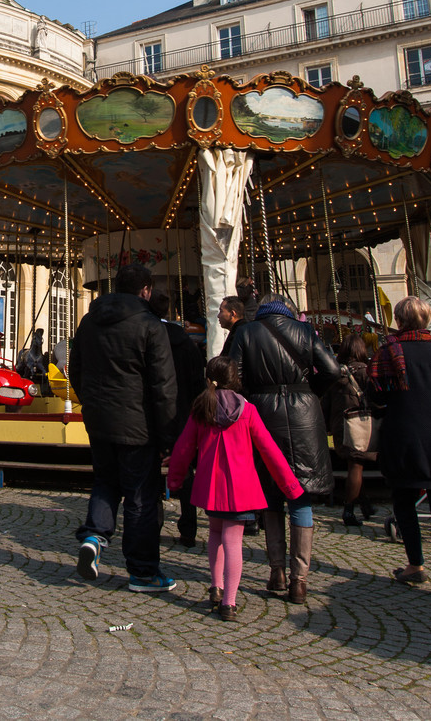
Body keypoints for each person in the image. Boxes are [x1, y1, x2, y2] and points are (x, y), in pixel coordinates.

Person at [219, 292, 342, 604]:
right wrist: (308, 393)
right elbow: (332, 369)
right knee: (300, 494)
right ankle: (299, 580)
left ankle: (276, 571)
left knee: (271, 494)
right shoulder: (304, 330)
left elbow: (235, 377)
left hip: (263, 413)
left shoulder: (247, 332)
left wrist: (256, 395)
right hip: (304, 414)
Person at [167, 355, 304, 620]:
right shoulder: (248, 410)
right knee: (233, 543)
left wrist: (174, 480)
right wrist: (291, 487)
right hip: (241, 488)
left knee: (215, 536)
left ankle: (216, 587)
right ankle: (229, 602)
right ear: (235, 380)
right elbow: (270, 451)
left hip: (211, 486)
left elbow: (183, 448)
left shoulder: (201, 407)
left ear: (209, 379)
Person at [71, 263, 180, 593]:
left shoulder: (89, 321)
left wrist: (91, 404)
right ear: (145, 290)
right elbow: (164, 387)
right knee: (140, 497)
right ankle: (143, 572)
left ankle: (94, 536)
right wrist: (168, 437)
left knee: (105, 481)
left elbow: (75, 370)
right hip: (138, 426)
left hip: (99, 421)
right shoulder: (150, 325)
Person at [369, 296, 431, 600]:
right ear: (426, 321)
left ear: (399, 321)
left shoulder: (388, 353)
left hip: (404, 438)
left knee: (405, 506)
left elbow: (375, 400)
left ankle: (415, 564)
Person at [149, 289, 207, 548]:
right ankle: (188, 527)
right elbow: (197, 380)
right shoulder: (184, 341)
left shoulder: (147, 338)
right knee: (186, 470)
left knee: (150, 467)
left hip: (152, 412)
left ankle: (153, 522)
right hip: (183, 412)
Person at [324, 332, 379, 526]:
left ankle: (364, 503)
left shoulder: (335, 374)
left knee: (354, 464)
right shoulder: (366, 372)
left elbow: (327, 402)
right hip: (359, 423)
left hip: (340, 424)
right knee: (356, 465)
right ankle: (349, 510)